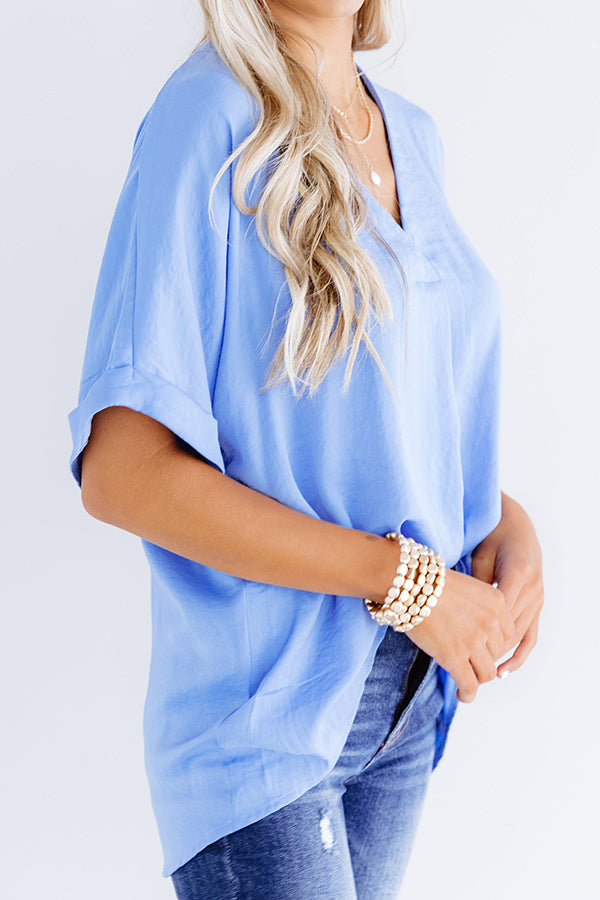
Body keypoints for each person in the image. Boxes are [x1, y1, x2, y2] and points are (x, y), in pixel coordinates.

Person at [67, 1, 544, 897]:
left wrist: (501, 524)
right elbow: (121, 470)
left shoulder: (412, 135)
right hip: (266, 714)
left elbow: (378, 424)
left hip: (403, 695)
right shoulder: (207, 116)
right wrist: (408, 583)